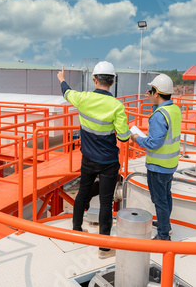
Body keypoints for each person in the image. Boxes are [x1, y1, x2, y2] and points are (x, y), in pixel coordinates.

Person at [57, 61, 131, 259]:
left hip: (88, 158)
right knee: (106, 203)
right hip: (108, 162)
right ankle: (104, 249)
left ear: (95, 79)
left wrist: (62, 79)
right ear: (113, 81)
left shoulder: (83, 98)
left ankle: (77, 231)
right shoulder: (117, 106)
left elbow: (66, 92)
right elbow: (124, 137)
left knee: (82, 193)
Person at [130, 74, 181, 241]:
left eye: (151, 91)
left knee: (160, 201)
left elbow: (154, 143)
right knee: (166, 197)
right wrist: (154, 103)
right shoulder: (174, 109)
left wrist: (137, 139)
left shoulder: (159, 116)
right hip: (169, 164)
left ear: (156, 93)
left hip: (158, 166)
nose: (149, 94)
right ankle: (166, 225)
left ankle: (163, 235)